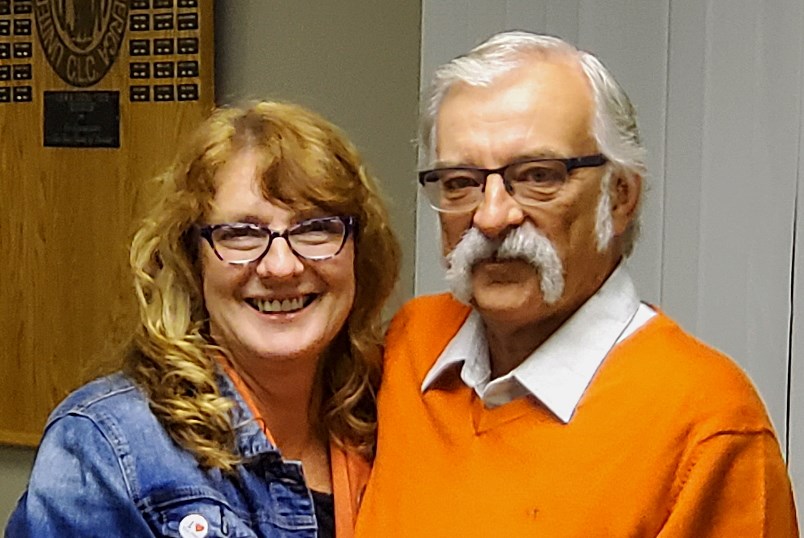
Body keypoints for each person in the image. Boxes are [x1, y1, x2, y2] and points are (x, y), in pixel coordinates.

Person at [354, 31, 798, 537]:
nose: (493, 216)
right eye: (460, 183)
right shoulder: (411, 349)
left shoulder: (707, 425)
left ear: (620, 196)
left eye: (539, 176)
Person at [7, 101, 400, 538]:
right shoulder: (104, 447)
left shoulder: (398, 420)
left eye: (315, 227)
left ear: (357, 252)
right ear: (193, 262)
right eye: (241, 235)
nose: (281, 266)